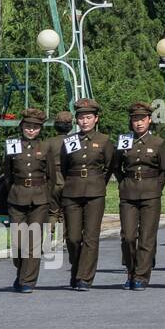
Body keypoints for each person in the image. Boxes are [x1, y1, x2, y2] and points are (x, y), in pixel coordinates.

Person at [112, 102, 165, 290]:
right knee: (128, 236)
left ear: (149, 120)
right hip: (128, 192)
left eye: (142, 119)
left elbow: (164, 170)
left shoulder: (158, 143)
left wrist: (156, 187)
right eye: (135, 119)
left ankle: (141, 276)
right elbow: (116, 166)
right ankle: (130, 271)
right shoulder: (124, 141)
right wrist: (123, 182)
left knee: (146, 237)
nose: (138, 123)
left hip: (150, 193)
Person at [58, 98, 114, 291]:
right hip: (72, 191)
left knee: (90, 236)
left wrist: (97, 183)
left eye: (88, 117)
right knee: (73, 237)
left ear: (96, 119)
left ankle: (84, 277)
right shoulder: (70, 140)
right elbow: (64, 167)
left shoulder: (104, 141)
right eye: (81, 117)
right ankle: (77, 268)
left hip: (95, 192)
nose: (84, 121)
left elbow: (109, 167)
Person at [0, 108, 55, 293]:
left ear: (40, 129)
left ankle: (27, 281)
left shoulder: (45, 147)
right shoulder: (12, 145)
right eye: (28, 126)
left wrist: (45, 195)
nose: (31, 130)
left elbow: (51, 177)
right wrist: (14, 191)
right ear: (22, 126)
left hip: (39, 198)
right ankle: (22, 272)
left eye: (36, 127)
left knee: (34, 241)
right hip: (17, 196)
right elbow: (7, 174)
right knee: (18, 241)